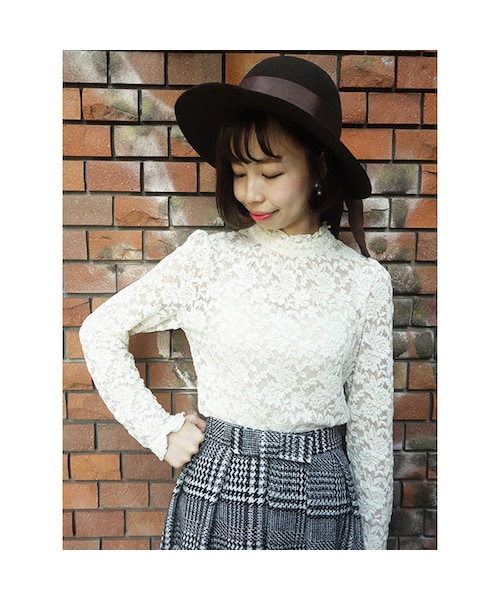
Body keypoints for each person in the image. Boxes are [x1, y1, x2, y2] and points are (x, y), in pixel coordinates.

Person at [79, 55, 394, 550]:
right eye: (240, 171)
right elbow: (99, 331)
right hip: (220, 489)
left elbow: (371, 439)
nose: (251, 193)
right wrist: (159, 431)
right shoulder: (208, 259)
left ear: (319, 166)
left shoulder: (364, 282)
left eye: (270, 172)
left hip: (323, 497)